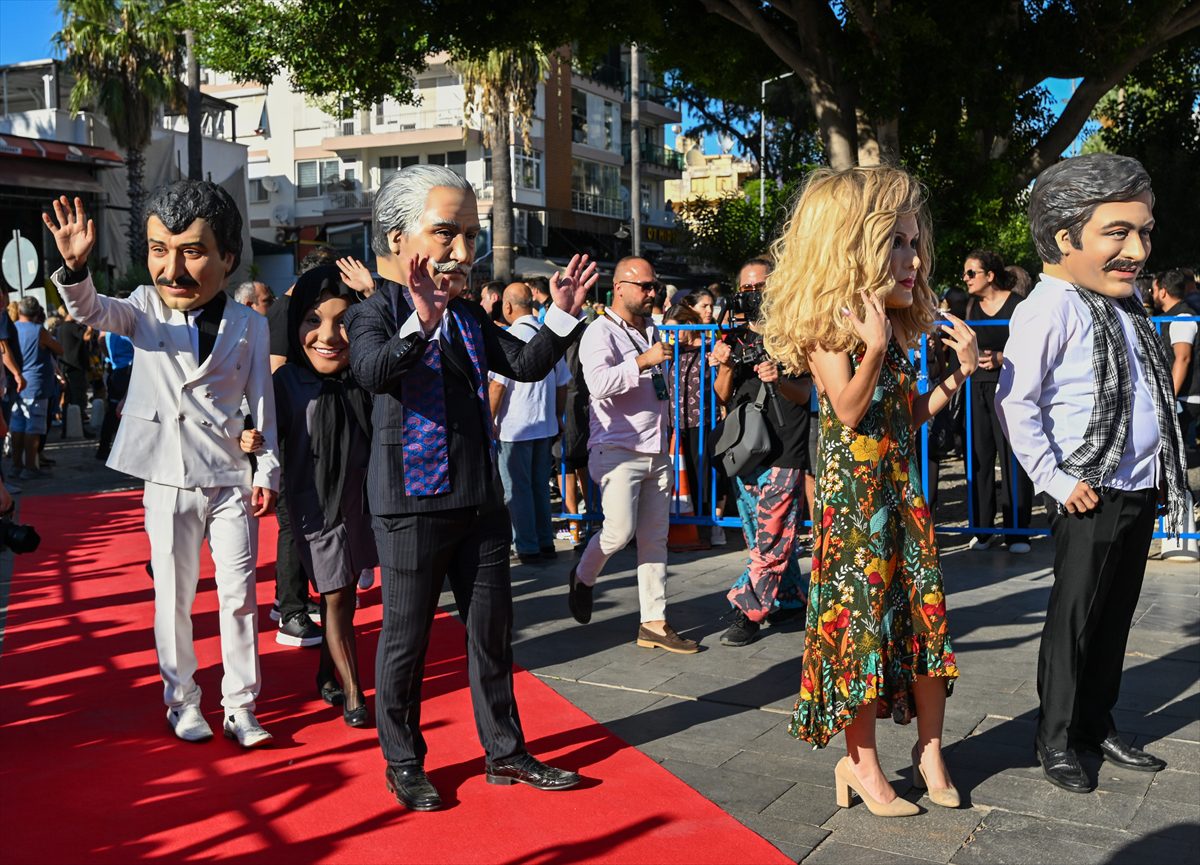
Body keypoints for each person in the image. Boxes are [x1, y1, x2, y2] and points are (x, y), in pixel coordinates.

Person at [346, 164, 593, 811]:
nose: (462, 252)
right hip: (410, 505)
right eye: (446, 234)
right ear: (399, 239)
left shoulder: (468, 314)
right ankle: (403, 760)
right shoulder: (375, 310)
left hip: (479, 499)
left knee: (491, 633)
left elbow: (522, 364)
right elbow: (372, 372)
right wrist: (419, 323)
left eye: (471, 236)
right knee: (407, 640)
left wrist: (560, 317)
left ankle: (505, 750)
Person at [761, 166, 976, 816]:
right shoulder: (835, 321)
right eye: (896, 243)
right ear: (852, 244)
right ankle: (861, 765)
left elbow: (901, 415)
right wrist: (875, 349)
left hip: (902, 493)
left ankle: (931, 750)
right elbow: (850, 411)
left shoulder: (894, 320)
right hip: (853, 505)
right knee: (862, 627)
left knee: (925, 617)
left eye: (914, 244)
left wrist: (957, 378)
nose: (912, 260)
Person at [45, 185, 280, 748]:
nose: (172, 269)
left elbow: (263, 404)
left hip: (229, 478)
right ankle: (182, 701)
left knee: (239, 595)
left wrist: (266, 471)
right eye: (158, 250)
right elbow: (91, 309)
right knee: (173, 595)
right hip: (169, 476)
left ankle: (241, 706)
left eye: (193, 251)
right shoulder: (143, 308)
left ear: (228, 256)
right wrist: (74, 269)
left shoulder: (251, 324)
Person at [997, 154, 1187, 793]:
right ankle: (1054, 738)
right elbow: (1016, 403)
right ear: (1062, 237)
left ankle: (1096, 723)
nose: (1137, 248)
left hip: (1137, 485)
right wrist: (1052, 478)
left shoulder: (1126, 301)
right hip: (1087, 491)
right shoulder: (1048, 307)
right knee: (1075, 616)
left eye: (1145, 231)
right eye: (1118, 232)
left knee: (1116, 614)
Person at [566, 256, 699, 655]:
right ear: (619, 287)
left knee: (654, 539)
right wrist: (643, 361)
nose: (651, 292)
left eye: (654, 285)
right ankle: (583, 575)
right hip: (617, 447)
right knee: (618, 531)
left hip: (656, 446)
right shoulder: (599, 332)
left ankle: (653, 622)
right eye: (644, 286)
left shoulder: (651, 330)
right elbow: (599, 384)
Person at [272, 265, 375, 727]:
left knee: (346, 598)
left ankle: (327, 671)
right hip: (314, 508)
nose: (328, 335)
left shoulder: (371, 379)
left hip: (365, 506)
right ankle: (355, 693)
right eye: (314, 320)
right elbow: (250, 431)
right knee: (335, 596)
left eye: (343, 322)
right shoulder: (284, 383)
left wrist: (373, 295)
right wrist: (249, 441)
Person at [709, 258, 811, 647]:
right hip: (745, 449)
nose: (754, 295)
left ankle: (746, 611)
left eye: (761, 287)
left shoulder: (794, 333)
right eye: (748, 288)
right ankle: (788, 597)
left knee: (771, 537)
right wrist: (723, 366)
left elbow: (805, 394)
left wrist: (779, 378)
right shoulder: (733, 336)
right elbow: (722, 395)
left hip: (785, 447)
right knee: (760, 537)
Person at [265, 248, 348, 649]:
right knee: (292, 523)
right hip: (294, 431)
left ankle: (297, 600)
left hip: (309, 427)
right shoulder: (286, 311)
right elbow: (277, 368)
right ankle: (290, 607)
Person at [489, 281, 571, 564]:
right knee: (537, 486)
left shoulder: (509, 337)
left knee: (517, 489)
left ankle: (526, 546)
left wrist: (489, 419)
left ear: (508, 306)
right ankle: (544, 541)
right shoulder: (546, 338)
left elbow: (497, 386)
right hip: (544, 424)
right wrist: (557, 416)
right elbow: (563, 383)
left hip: (515, 427)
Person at [961, 250, 1034, 553]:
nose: (964, 279)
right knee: (979, 458)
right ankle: (983, 529)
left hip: (1011, 387)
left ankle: (1017, 532)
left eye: (970, 273)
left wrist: (1001, 358)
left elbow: (1034, 348)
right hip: (976, 387)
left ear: (989, 276)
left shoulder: (1019, 306)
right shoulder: (969, 307)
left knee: (1013, 457)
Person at [10, 297, 63, 479]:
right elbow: (59, 349)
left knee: (17, 426)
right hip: (36, 384)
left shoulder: (13, 327)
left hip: (17, 384)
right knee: (33, 427)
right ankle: (30, 467)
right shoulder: (38, 330)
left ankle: (16, 465)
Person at [1152, 268, 1199, 460]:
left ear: (1163, 292)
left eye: (1153, 290)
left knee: (1168, 453)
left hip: (1186, 398)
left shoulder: (1181, 318)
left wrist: (1167, 399)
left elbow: (1183, 358)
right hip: (1182, 397)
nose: (1152, 295)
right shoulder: (1172, 316)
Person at [55, 304, 94, 438]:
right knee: (78, 400)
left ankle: (66, 429)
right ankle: (79, 429)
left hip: (65, 367)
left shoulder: (59, 328)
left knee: (68, 400)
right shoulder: (72, 327)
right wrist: (90, 324)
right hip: (75, 367)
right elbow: (86, 337)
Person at [96, 325, 133, 461]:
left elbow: (100, 339)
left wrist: (109, 357)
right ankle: (120, 449)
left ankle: (105, 448)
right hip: (126, 370)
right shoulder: (127, 324)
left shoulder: (108, 323)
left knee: (113, 411)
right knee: (120, 412)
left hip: (115, 368)